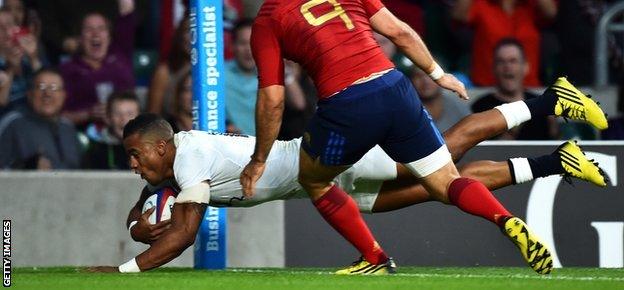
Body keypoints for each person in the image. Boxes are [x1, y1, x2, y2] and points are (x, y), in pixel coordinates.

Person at [240, 0, 606, 276]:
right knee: (445, 181)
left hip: (348, 109)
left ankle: (374, 256)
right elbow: (398, 31)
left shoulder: (270, 19)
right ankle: (505, 216)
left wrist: (258, 160)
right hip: (393, 87)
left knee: (315, 180)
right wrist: (438, 74)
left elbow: (273, 98)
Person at [86, 96, 607, 272]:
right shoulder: (177, 159)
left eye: (135, 156)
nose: (132, 164)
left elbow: (181, 235)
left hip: (330, 164)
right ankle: (555, 161)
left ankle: (544, 102)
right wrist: (140, 212)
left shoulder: (190, 157)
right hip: (329, 181)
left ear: (159, 147)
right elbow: (164, 212)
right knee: (437, 186)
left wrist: (122, 269)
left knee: (443, 157)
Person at [59, 0, 136, 128]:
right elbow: (57, 116)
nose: (96, 34)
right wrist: (88, 114)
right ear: (79, 38)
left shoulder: (120, 54)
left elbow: (127, 11)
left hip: (127, 133)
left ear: (109, 37)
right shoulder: (67, 70)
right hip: (86, 137)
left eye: (101, 28)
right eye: (89, 29)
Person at [452, 0, 557, 87]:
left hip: (528, 87)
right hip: (487, 87)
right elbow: (459, 15)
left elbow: (551, 13)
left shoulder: (532, 7)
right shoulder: (482, 5)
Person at [471, 38, 558, 140]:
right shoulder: (481, 108)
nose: (507, 66)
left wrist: (554, 129)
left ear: (526, 67)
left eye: (513, 61)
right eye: (501, 62)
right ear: (494, 68)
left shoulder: (541, 105)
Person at [0, 68, 80, 169]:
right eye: (41, 87)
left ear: (63, 95)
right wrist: (25, 167)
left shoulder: (68, 127)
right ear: (29, 94)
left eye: (54, 88)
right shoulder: (13, 123)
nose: (47, 94)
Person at [0, 9, 44, 115]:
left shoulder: (30, 56)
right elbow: (1, 102)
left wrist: (33, 59)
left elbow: (47, 87)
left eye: (9, 24)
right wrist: (10, 68)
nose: (6, 30)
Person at [82, 91, 140, 169]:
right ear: (108, 118)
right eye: (117, 114)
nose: (124, 119)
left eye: (129, 114)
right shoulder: (95, 152)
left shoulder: (150, 151)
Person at [147, 16, 190, 116]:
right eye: (188, 31)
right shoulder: (164, 72)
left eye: (198, 31)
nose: (194, 37)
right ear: (180, 35)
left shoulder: (215, 71)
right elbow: (153, 116)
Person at [410, 66, 470, 132]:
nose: (425, 81)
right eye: (418, 76)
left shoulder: (456, 104)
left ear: (444, 79)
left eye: (430, 75)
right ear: (410, 81)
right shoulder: (406, 110)